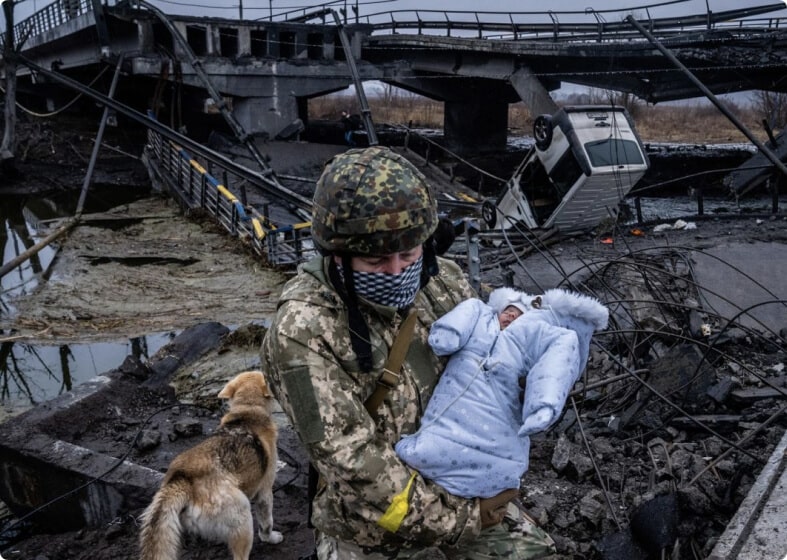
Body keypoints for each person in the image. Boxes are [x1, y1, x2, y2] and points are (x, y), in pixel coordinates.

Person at [260, 146, 556, 559]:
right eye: (376, 260)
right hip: (373, 528)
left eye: (409, 254)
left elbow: (498, 360)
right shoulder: (303, 331)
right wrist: (466, 519)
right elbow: (353, 465)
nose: (397, 271)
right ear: (337, 256)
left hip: (463, 485)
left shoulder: (442, 283)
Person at [395, 287, 609, 499]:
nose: (511, 315)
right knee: (437, 437)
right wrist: (449, 333)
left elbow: (558, 356)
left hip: (499, 405)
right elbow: (466, 312)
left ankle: (491, 482)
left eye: (518, 314)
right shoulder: (480, 316)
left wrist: (544, 404)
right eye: (508, 310)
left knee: (502, 450)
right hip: (456, 402)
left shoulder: (527, 336)